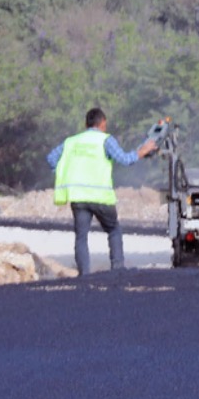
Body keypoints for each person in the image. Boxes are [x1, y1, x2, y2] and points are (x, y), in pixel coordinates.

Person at [47, 108, 161, 276]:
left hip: (78, 197)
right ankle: (117, 270)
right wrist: (143, 151)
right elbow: (125, 159)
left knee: (81, 237)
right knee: (113, 229)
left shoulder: (71, 142)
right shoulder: (105, 140)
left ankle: (84, 275)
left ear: (86, 124)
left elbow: (51, 159)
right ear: (102, 123)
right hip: (100, 197)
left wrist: (65, 172)